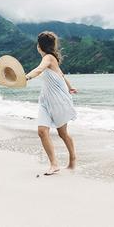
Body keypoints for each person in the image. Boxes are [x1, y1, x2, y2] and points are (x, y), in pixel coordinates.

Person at [25, 31, 78, 175]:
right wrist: (70, 86)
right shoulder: (49, 59)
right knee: (42, 132)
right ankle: (54, 164)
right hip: (45, 101)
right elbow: (61, 74)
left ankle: (73, 159)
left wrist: (26, 77)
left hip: (59, 101)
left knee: (63, 133)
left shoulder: (48, 58)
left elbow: (40, 69)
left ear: (39, 46)